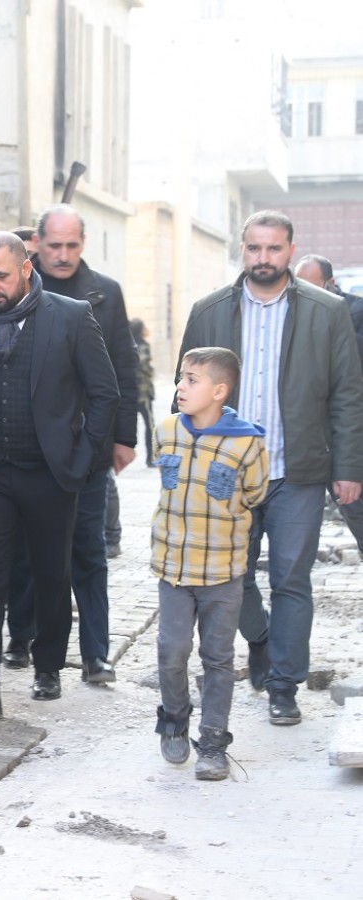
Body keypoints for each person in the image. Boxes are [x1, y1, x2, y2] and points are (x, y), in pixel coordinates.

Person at [178, 211, 363, 726]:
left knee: (291, 581)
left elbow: (348, 394)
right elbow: (185, 391)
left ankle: (284, 684)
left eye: (274, 248)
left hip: (296, 471)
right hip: (226, 475)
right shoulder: (209, 311)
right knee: (230, 577)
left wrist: (348, 466)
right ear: (243, 248)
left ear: (290, 250)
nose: (264, 258)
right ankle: (260, 638)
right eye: (255, 248)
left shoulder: (327, 312)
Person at [0, 232, 118, 718]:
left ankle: (48, 665)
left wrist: (82, 458)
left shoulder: (71, 316)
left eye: (0, 276)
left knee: (50, 574)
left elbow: (104, 393)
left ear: (25, 269)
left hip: (48, 472)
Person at [3, 205, 138, 682]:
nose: (62, 255)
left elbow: (123, 367)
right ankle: (21, 636)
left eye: (72, 245)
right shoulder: (14, 287)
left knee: (87, 551)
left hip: (87, 448)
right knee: (24, 550)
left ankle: (95, 653)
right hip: (26, 448)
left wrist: (123, 437)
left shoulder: (105, 294)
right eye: (54, 245)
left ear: (83, 245)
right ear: (37, 243)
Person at [152, 347, 267, 780]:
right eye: (181, 377)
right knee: (172, 651)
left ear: (219, 391)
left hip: (222, 572)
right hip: (173, 569)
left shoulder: (247, 443)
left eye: (192, 380)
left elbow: (255, 494)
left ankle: (214, 741)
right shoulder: (166, 431)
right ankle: (174, 719)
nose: (180, 387)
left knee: (218, 657)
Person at [292, 254, 363, 554]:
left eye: (313, 286)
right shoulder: (294, 315)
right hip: (318, 440)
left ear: (331, 283)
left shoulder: (356, 313)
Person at [131, 318, 157, 466]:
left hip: (129, 392)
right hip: (143, 392)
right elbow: (145, 365)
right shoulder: (143, 345)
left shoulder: (126, 344)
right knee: (150, 425)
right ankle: (150, 458)